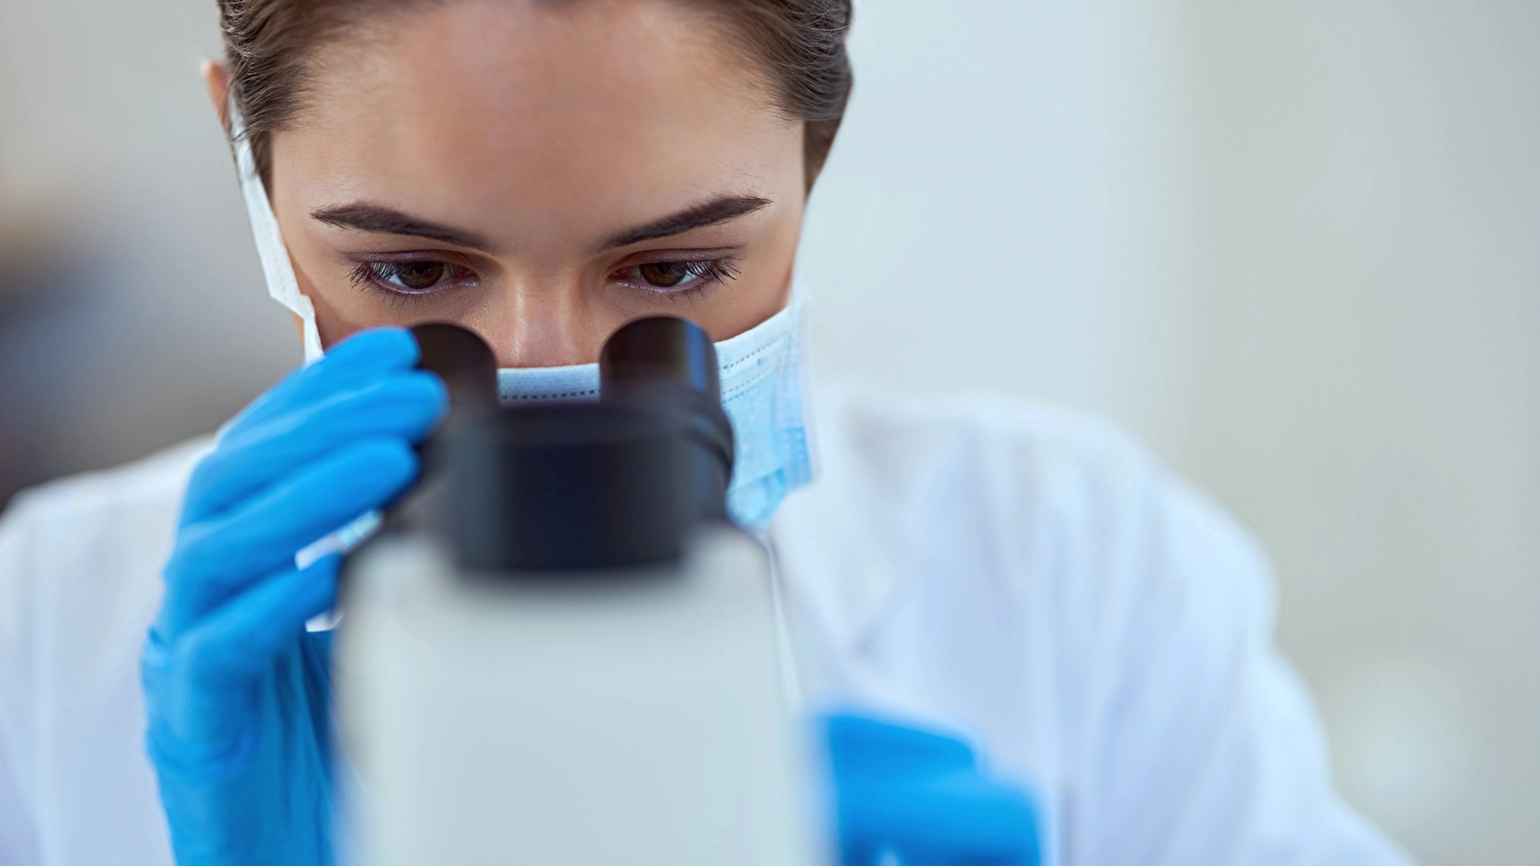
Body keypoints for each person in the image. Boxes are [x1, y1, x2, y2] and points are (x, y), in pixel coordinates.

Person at [0, 0, 1412, 864]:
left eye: (673, 272)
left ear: (816, 154)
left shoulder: (1076, 570)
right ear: (248, 158)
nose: (550, 373)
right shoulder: (42, 624)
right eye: (413, 275)